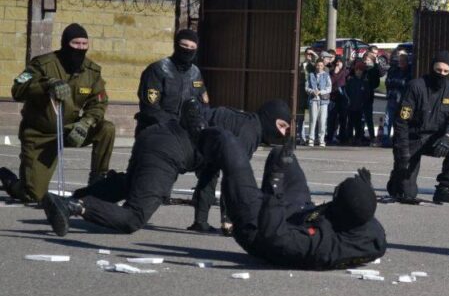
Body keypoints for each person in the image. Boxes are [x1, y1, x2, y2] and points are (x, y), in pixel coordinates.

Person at [39, 99, 293, 237]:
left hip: (155, 136)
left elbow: (209, 174)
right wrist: (233, 223)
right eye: (282, 126)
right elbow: (232, 180)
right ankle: (73, 207)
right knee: (134, 218)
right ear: (270, 119)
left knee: (130, 185)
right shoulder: (249, 134)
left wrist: (201, 221)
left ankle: (74, 198)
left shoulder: (239, 120)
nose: (284, 133)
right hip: (168, 152)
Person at [193, 128, 385, 270]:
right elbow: (361, 208)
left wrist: (275, 189)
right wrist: (364, 191)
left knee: (228, 144)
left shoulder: (320, 245)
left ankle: (191, 135)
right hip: (299, 216)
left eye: (337, 195)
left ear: (341, 211)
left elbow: (274, 237)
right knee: (282, 155)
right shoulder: (373, 234)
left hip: (260, 231)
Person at [0, 24, 115, 203]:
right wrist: (47, 85)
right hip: (40, 134)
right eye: (76, 43)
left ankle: (98, 183)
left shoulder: (91, 71)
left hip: (71, 129)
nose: (81, 48)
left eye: (85, 44)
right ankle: (12, 183)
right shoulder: (42, 64)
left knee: (106, 128)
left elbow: (99, 102)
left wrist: (86, 122)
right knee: (33, 195)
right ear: (65, 43)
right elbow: (18, 89)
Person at [386, 51, 449, 205]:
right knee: (407, 194)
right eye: (438, 70)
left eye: (446, 71)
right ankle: (396, 181)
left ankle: (444, 188)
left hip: (436, 139)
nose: (441, 74)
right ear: (432, 68)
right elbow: (401, 122)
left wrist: (448, 137)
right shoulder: (415, 87)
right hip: (412, 139)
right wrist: (402, 152)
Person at [135, 29, 208, 136]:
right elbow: (151, 109)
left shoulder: (195, 73)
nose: (188, 50)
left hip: (185, 132)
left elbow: (203, 105)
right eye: (184, 45)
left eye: (192, 47)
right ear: (176, 45)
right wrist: (177, 125)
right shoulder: (158, 69)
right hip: (156, 131)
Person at [383, 51, 413, 148]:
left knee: (400, 121)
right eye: (399, 61)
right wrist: (396, 82)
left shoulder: (409, 71)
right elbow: (387, 82)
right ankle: (385, 140)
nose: (400, 63)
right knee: (388, 120)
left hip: (402, 99)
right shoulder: (393, 70)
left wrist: (395, 82)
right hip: (392, 97)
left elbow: (405, 83)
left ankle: (398, 140)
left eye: (403, 61)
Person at [306, 58, 331, 147]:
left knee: (322, 120)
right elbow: (306, 87)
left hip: (324, 101)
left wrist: (321, 92)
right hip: (313, 100)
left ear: (323, 66)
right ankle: (311, 139)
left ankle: (321, 139)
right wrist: (312, 91)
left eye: (321, 65)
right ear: (315, 66)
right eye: (318, 65)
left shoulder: (326, 75)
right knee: (313, 120)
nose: (319, 67)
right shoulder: (311, 75)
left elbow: (329, 88)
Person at [362, 51, 386, 145]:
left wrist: (375, 64)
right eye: (365, 60)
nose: (365, 62)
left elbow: (379, 78)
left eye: (367, 60)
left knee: (368, 117)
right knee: (359, 117)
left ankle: (372, 137)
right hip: (360, 95)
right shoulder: (363, 69)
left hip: (368, 95)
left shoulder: (374, 69)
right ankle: (360, 136)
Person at [345, 62, 371, 144]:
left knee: (359, 123)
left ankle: (358, 137)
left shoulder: (365, 82)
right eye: (357, 70)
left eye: (360, 70)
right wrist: (348, 100)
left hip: (360, 106)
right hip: (351, 104)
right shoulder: (351, 80)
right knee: (350, 122)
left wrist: (364, 103)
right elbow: (346, 91)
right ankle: (349, 137)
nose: (358, 72)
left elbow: (367, 94)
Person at [297, 47, 317, 145]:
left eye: (310, 54)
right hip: (301, 92)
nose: (309, 56)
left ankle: (312, 137)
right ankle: (301, 137)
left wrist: (314, 54)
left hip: (311, 92)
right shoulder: (301, 65)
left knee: (313, 116)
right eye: (307, 54)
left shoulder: (314, 65)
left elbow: (320, 62)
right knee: (300, 117)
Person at [327, 55, 348, 145]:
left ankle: (342, 137)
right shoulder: (332, 72)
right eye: (337, 61)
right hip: (333, 97)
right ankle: (330, 137)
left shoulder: (346, 72)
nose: (338, 63)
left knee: (343, 119)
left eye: (340, 61)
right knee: (332, 119)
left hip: (343, 98)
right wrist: (335, 73)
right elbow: (331, 82)